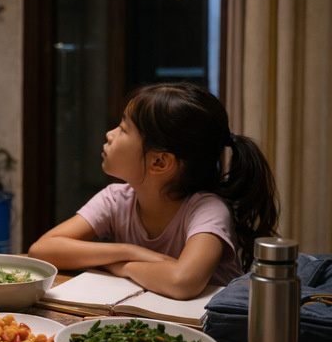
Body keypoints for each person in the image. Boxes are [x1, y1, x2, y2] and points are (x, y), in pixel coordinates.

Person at [28, 82, 279, 300]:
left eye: (124, 129)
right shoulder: (116, 198)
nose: (110, 134)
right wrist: (130, 252)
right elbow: (42, 250)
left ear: (160, 162)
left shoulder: (207, 209)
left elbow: (183, 282)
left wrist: (121, 267)